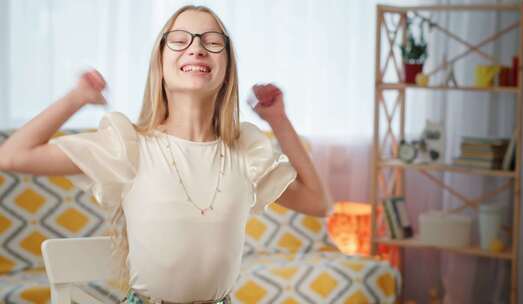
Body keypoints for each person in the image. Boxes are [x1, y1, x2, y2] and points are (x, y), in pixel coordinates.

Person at [0, 5, 333, 304]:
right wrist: (77, 98)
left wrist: (278, 120)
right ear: (159, 63)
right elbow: (12, 156)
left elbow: (319, 204)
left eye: (213, 41)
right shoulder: (128, 146)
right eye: (180, 40)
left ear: (228, 68)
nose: (198, 48)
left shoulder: (244, 152)